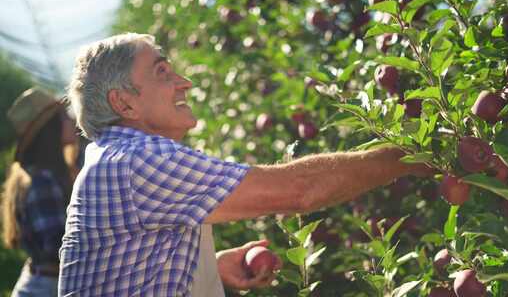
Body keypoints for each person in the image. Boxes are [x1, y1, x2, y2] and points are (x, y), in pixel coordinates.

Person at [59, 33, 430, 297]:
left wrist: (209, 268)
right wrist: (408, 155)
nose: (184, 83)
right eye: (162, 73)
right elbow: (298, 191)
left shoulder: (115, 157)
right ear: (125, 104)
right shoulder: (139, 160)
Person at [3, 88, 79, 297]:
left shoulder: (47, 175)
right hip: (47, 288)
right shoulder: (42, 181)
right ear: (50, 128)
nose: (72, 121)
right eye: (64, 116)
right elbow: (59, 244)